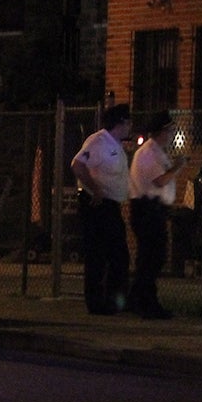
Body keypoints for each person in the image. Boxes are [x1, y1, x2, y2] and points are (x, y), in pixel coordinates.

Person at [71, 104, 135, 315]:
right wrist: (96, 189)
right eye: (128, 122)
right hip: (97, 205)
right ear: (120, 123)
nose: (130, 126)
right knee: (99, 254)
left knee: (116, 254)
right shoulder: (98, 141)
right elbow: (77, 164)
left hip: (110, 204)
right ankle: (98, 302)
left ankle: (113, 300)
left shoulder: (114, 144)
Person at [127, 110, 187, 319]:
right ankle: (146, 303)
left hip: (155, 210)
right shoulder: (148, 154)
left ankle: (137, 298)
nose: (171, 135)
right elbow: (159, 180)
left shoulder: (157, 152)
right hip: (148, 210)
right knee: (152, 258)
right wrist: (178, 167)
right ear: (162, 131)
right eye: (169, 130)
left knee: (151, 258)